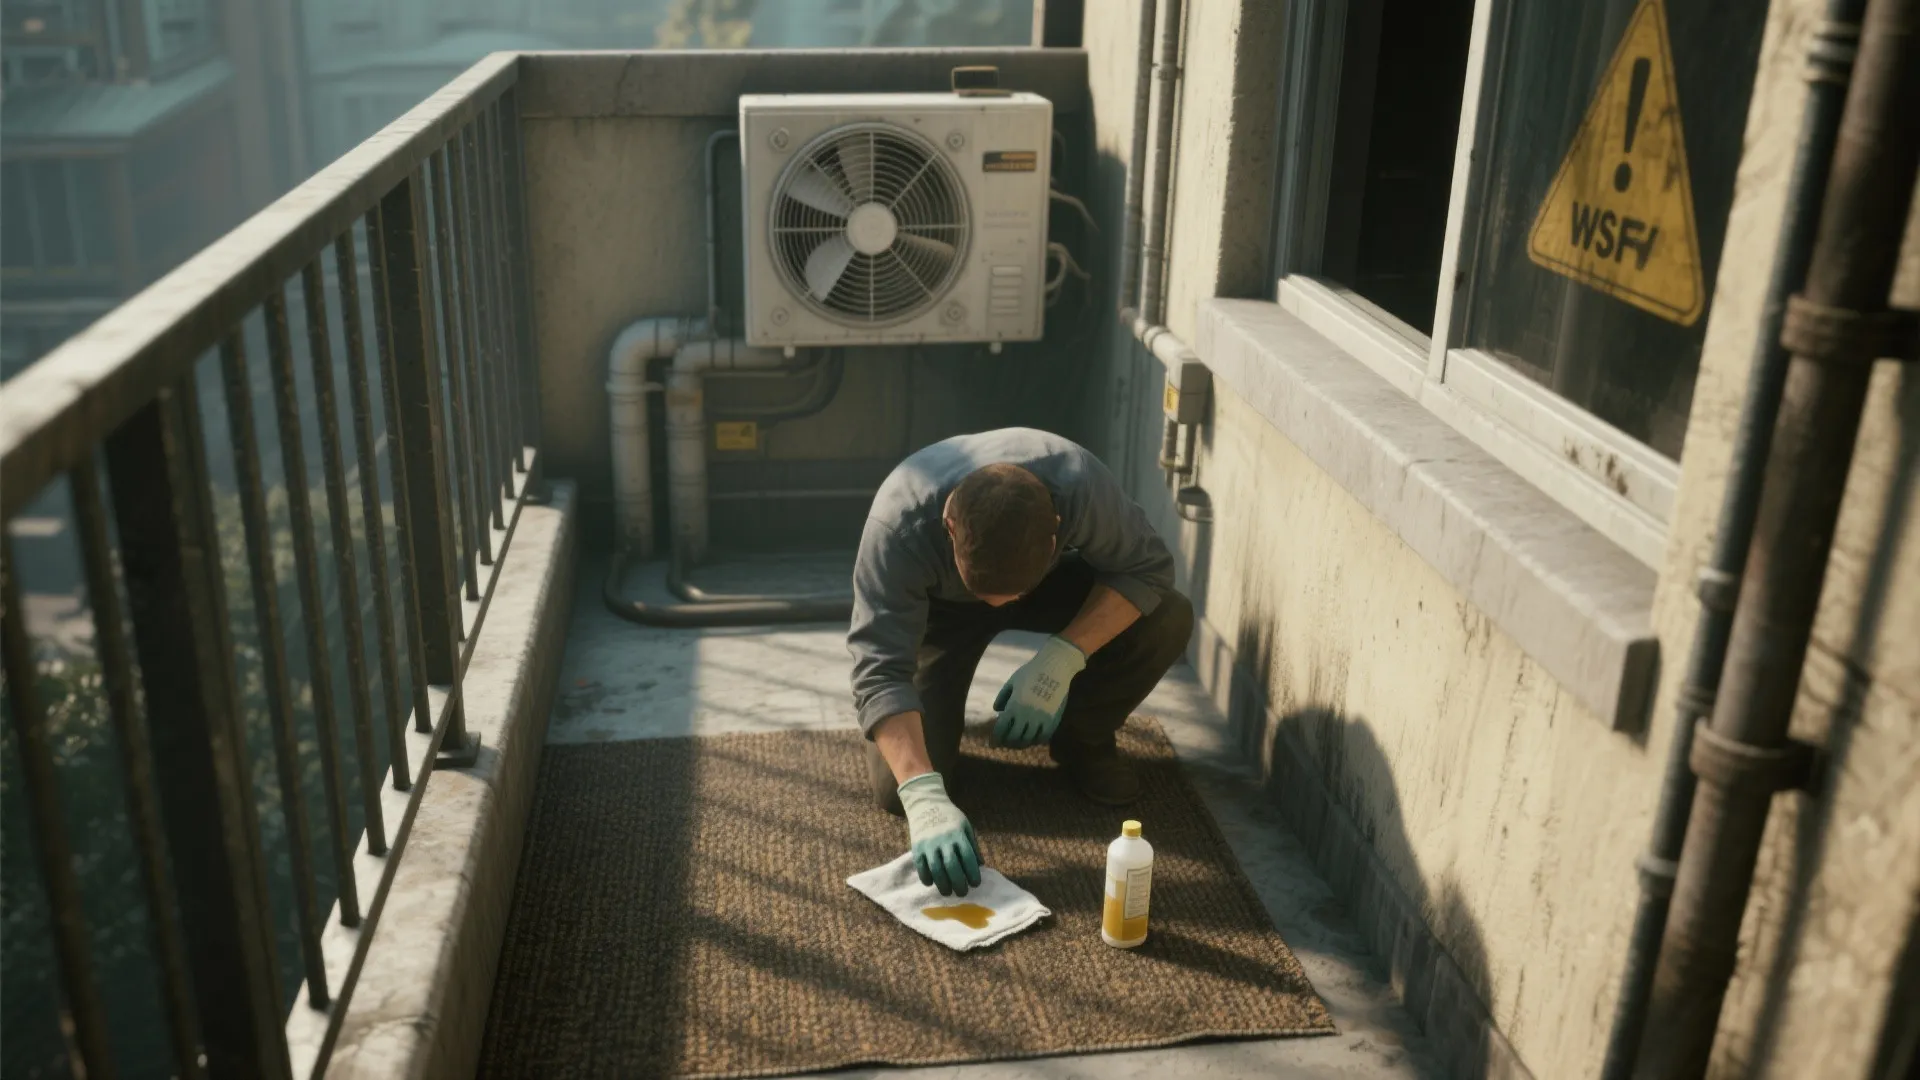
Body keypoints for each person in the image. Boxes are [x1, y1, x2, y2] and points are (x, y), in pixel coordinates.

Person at [848, 427, 1194, 898]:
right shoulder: (897, 526)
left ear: (1058, 525)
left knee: (1168, 615)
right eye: (987, 594)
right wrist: (924, 795)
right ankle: (935, 768)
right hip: (940, 613)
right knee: (897, 792)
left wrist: (1063, 657)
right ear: (948, 525)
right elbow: (880, 670)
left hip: (1050, 587)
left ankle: (1083, 739)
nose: (999, 607)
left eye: (1007, 596)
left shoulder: (1080, 485)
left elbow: (1147, 568)